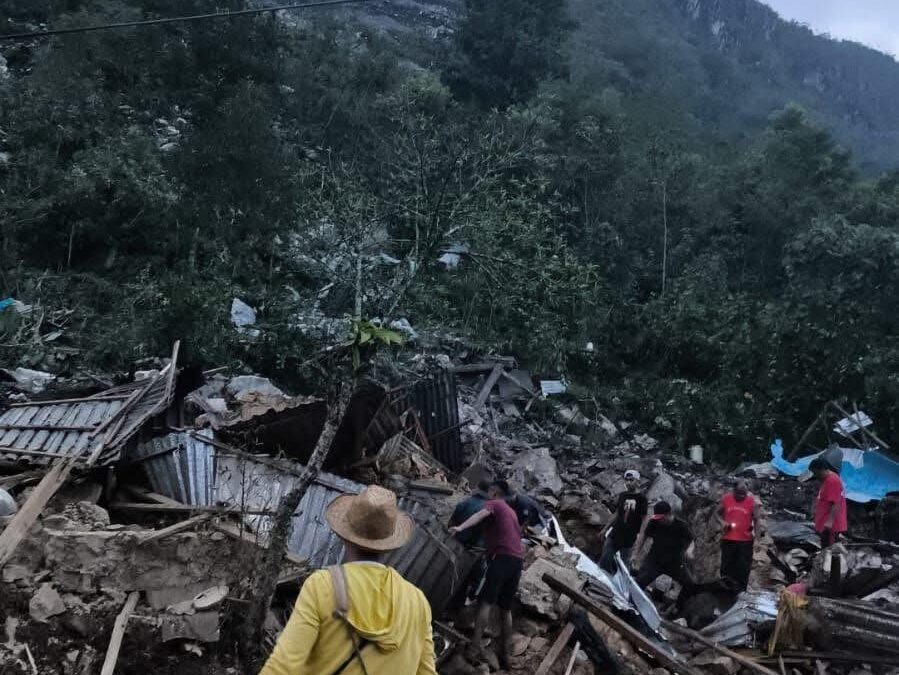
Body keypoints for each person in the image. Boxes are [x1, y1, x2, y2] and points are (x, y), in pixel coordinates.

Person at [259, 485, 436, 675]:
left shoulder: (323, 585)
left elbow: (283, 666)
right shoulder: (417, 602)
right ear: (390, 544)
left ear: (343, 535)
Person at [449, 480, 524, 668]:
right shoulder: (511, 512)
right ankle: (505, 653)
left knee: (486, 602)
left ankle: (475, 648)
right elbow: (509, 535)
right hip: (517, 561)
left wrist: (460, 527)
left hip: (502, 558)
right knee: (505, 608)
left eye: (490, 491)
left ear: (494, 492)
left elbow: (480, 515)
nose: (488, 495)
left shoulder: (495, 503)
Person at [634, 501, 695, 593]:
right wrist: (635, 554)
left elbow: (692, 541)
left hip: (675, 564)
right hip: (655, 561)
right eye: (657, 518)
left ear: (669, 514)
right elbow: (643, 537)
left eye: (661, 518)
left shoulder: (681, 526)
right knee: (640, 581)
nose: (659, 520)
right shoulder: (654, 522)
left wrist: (689, 551)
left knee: (690, 585)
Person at [717, 478, 764, 591]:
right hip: (728, 538)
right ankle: (725, 589)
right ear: (734, 490)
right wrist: (722, 523)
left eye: (744, 494)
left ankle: (741, 591)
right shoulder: (726, 499)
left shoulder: (752, 501)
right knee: (726, 566)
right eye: (739, 494)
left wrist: (757, 539)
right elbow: (716, 514)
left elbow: (757, 520)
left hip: (745, 540)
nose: (742, 497)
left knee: (743, 567)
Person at [599, 469, 648, 574]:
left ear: (637, 481)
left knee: (625, 565)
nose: (628, 482)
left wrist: (641, 536)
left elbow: (644, 519)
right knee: (605, 558)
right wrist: (605, 529)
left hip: (629, 537)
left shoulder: (642, 499)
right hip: (615, 532)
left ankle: (623, 585)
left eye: (631, 480)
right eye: (627, 480)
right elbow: (617, 513)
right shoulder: (623, 495)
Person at [811, 457, 847, 547]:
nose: (815, 475)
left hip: (830, 525)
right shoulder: (828, 480)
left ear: (822, 469)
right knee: (826, 548)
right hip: (826, 522)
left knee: (830, 549)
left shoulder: (832, 481)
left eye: (815, 473)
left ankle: (831, 561)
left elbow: (836, 503)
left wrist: (829, 522)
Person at [449, 480, 491, 548]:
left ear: (477, 487)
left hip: (455, 535)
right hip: (470, 544)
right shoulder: (488, 508)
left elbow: (453, 517)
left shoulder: (468, 500)